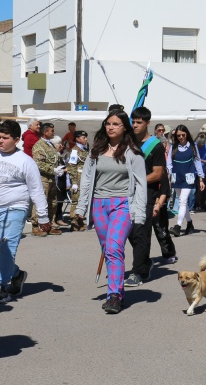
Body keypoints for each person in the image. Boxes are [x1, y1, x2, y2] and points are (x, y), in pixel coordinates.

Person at [75, 109, 147, 314]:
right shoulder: (95, 151)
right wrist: (81, 207)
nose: (110, 127)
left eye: (115, 124)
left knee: (115, 247)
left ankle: (114, 295)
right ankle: (116, 291)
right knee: (108, 249)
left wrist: (139, 213)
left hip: (122, 204)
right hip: (99, 204)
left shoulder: (133, 154)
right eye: (108, 123)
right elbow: (86, 180)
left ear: (124, 127)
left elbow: (141, 185)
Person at [0, 120, 51, 302]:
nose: (0, 141)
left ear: (16, 139)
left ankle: (1, 286)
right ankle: (16, 274)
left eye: (5, 138)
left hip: (16, 208)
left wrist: (43, 217)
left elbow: (36, 190)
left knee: (7, 247)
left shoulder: (26, 162)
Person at [124, 106, 165, 287]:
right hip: (127, 194)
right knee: (130, 232)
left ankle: (137, 272)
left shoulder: (155, 146)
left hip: (147, 194)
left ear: (148, 123)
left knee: (141, 232)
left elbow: (157, 174)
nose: (135, 125)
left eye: (139, 122)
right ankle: (145, 262)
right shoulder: (128, 142)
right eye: (133, 122)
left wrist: (135, 181)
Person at [167, 124, 205, 236]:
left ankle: (178, 226)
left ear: (187, 134)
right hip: (176, 176)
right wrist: (169, 175)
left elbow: (197, 162)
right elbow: (169, 163)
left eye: (183, 135)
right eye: (179, 135)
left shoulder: (193, 147)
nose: (181, 137)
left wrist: (201, 179)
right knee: (183, 202)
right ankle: (189, 223)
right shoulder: (173, 147)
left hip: (188, 178)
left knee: (183, 201)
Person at [30, 122, 63, 234]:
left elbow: (54, 159)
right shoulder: (39, 145)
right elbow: (38, 163)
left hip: (52, 178)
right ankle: (36, 226)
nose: (53, 133)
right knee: (40, 202)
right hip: (43, 178)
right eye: (51, 131)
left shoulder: (51, 144)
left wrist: (58, 169)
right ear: (45, 132)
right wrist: (52, 170)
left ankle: (48, 225)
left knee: (52, 202)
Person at [67, 130, 89, 231]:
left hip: (85, 178)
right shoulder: (75, 151)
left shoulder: (85, 150)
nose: (86, 139)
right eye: (83, 137)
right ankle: (74, 221)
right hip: (78, 178)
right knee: (76, 200)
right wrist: (74, 182)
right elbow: (71, 166)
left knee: (82, 199)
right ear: (77, 139)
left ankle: (80, 220)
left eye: (85, 137)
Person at [194, 132, 206, 212]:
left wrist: (199, 160)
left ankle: (199, 204)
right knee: (193, 189)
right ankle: (194, 204)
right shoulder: (194, 145)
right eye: (198, 144)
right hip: (193, 170)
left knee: (202, 189)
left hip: (202, 171)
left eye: (201, 145)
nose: (199, 146)